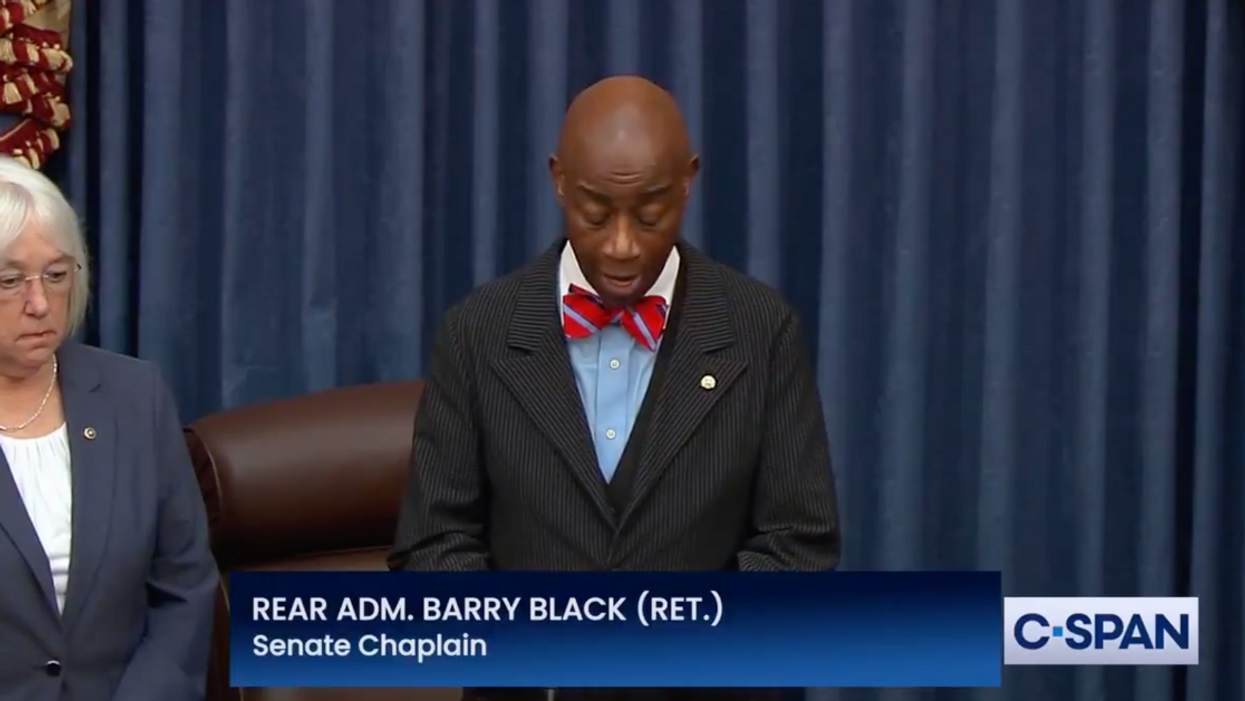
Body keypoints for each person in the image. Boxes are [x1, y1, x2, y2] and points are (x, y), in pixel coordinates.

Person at [390, 76, 840, 701]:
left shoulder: (760, 332)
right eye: (595, 214)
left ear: (688, 182)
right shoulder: (478, 334)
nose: (623, 246)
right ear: (558, 182)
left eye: (650, 214)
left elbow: (800, 549)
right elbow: (431, 545)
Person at [0, 156, 218, 700]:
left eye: (56, 275)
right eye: (9, 281)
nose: (39, 303)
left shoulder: (133, 396)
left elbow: (184, 587)